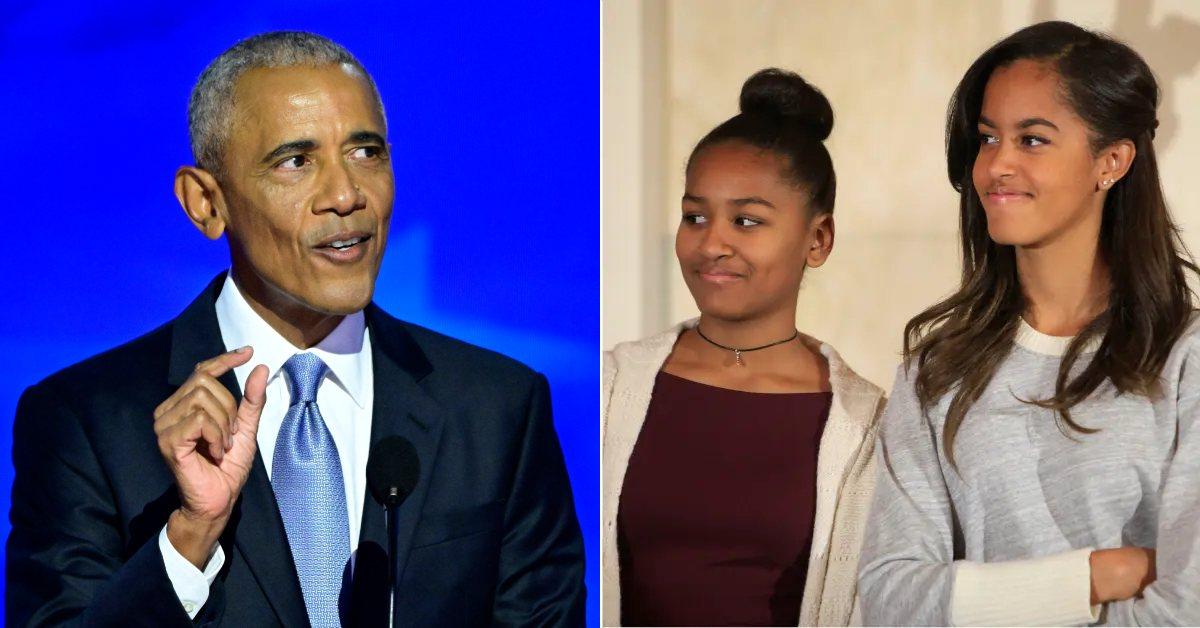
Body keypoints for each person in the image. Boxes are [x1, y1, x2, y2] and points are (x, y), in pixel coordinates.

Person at [7, 31, 585, 627]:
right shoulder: (86, 420)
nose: (345, 195)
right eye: (295, 161)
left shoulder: (497, 407)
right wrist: (188, 538)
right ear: (206, 203)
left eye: (367, 152)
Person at [857, 21, 1200, 626]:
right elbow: (893, 599)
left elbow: (1187, 604)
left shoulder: (1186, 357)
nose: (996, 167)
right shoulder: (934, 372)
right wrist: (1100, 575)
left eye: (1032, 140)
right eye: (988, 140)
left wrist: (982, 601)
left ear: (1112, 161)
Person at [601, 68, 886, 626]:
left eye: (747, 220)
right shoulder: (613, 386)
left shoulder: (867, 425)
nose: (712, 243)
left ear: (818, 239)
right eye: (695, 217)